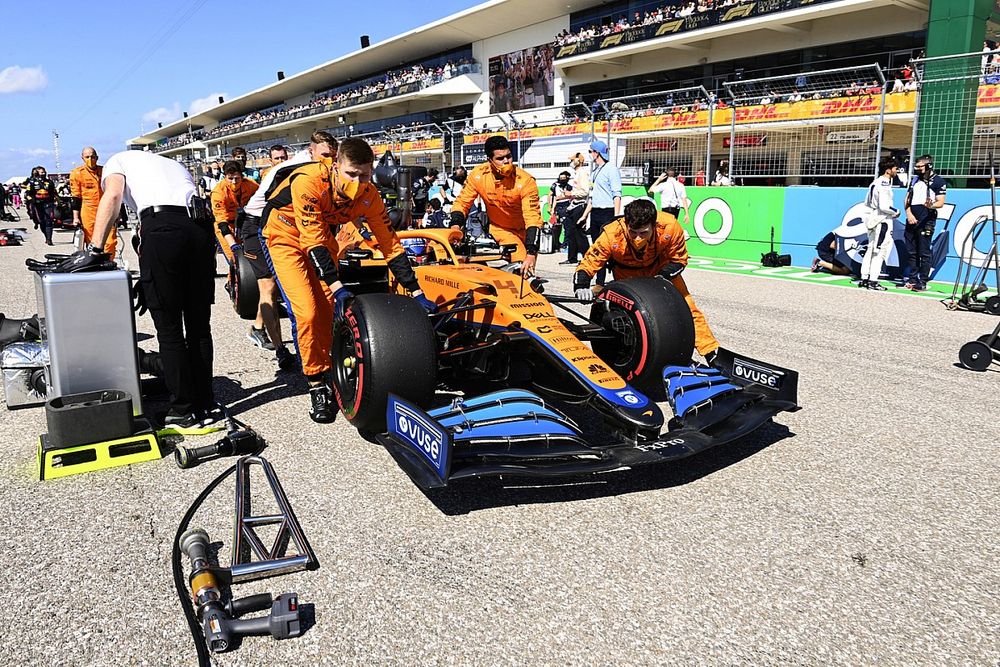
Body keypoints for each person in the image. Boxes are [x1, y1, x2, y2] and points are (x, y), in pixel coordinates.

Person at [261, 137, 435, 423]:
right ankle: (316, 381)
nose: (357, 181)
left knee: (330, 312)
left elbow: (390, 244)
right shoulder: (309, 180)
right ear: (335, 165)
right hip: (285, 235)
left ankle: (332, 368)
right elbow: (311, 240)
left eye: (364, 175)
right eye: (351, 174)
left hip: (322, 236)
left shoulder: (371, 195)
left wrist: (415, 290)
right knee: (307, 311)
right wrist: (337, 285)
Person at [69, 151, 218, 428]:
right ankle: (205, 403)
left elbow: (112, 197)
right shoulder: (172, 163)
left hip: (162, 227)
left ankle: (183, 411)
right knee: (199, 327)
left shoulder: (117, 162)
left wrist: (95, 249)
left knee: (170, 328)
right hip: (199, 229)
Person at [572, 198, 720, 362]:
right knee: (632, 317)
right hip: (626, 273)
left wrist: (661, 279)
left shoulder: (670, 226)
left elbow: (679, 260)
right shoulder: (611, 233)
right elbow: (590, 261)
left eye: (643, 233)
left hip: (661, 271)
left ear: (654, 225)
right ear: (626, 224)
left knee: (687, 307)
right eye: (633, 232)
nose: (637, 239)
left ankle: (712, 354)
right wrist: (581, 285)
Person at [243, 131, 338, 371]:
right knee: (274, 290)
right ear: (311, 150)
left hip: (294, 226)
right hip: (259, 226)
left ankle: (258, 327)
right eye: (324, 155)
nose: (327, 160)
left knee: (313, 295)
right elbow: (259, 206)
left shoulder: (326, 171)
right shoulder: (293, 169)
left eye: (332, 156)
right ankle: (287, 353)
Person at [450, 135, 543, 276]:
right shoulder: (478, 175)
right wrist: (455, 226)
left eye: (509, 156)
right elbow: (462, 202)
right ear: (490, 160)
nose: (506, 161)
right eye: (500, 158)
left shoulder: (525, 181)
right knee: (520, 265)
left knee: (528, 269)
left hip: (525, 229)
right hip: (502, 229)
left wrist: (532, 251)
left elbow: (533, 217)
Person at [577, 140, 623, 285]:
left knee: (610, 249)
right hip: (595, 213)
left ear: (597, 153)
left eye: (591, 152)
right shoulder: (595, 172)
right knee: (598, 249)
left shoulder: (611, 169)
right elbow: (592, 197)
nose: (589, 154)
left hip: (607, 212)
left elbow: (617, 194)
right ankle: (599, 282)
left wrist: (616, 216)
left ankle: (620, 279)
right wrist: (584, 216)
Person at [903, 154, 947, 291]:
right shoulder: (915, 180)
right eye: (916, 166)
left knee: (924, 252)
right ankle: (912, 278)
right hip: (912, 219)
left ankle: (922, 281)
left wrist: (930, 206)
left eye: (920, 166)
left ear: (928, 166)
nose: (917, 169)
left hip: (926, 220)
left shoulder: (938, 182)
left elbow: (940, 203)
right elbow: (907, 199)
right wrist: (908, 213)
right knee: (911, 251)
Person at [859, 157, 900, 290]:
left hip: (872, 217)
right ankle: (873, 281)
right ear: (888, 170)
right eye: (895, 168)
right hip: (882, 220)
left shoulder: (875, 182)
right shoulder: (884, 183)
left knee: (870, 249)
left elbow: (867, 202)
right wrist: (896, 211)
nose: (897, 171)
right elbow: (884, 206)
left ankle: (865, 278)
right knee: (879, 251)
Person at [211, 160, 259, 266]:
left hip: (245, 223)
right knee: (235, 261)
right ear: (224, 177)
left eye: (237, 178)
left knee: (253, 258)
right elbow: (221, 221)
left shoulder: (251, 185)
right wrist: (232, 244)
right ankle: (234, 281)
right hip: (227, 225)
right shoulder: (218, 192)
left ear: (242, 176)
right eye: (230, 178)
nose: (234, 182)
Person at [69, 147, 117, 254]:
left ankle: (109, 263)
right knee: (92, 241)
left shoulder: (105, 171)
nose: (90, 159)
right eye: (87, 157)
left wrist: (117, 213)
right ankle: (96, 265)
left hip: (106, 208)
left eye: (93, 156)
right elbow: (75, 197)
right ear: (82, 158)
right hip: (88, 210)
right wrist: (75, 217)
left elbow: (114, 192)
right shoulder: (77, 173)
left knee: (110, 241)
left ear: (97, 157)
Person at [23, 166, 58, 245]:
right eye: (42, 172)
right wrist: (31, 199)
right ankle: (45, 235)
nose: (44, 173)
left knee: (49, 221)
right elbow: (28, 193)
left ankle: (49, 239)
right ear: (37, 173)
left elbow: (54, 192)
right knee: (42, 222)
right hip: (37, 204)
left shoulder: (49, 182)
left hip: (48, 203)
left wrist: (57, 201)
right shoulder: (32, 182)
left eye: (44, 172)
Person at [546, 171, 573, 254]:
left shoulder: (569, 187)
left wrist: (560, 198)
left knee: (567, 227)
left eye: (564, 178)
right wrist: (550, 207)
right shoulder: (555, 185)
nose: (562, 180)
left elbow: (569, 196)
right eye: (560, 178)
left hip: (566, 206)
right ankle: (555, 244)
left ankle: (565, 244)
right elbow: (550, 195)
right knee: (554, 226)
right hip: (556, 206)